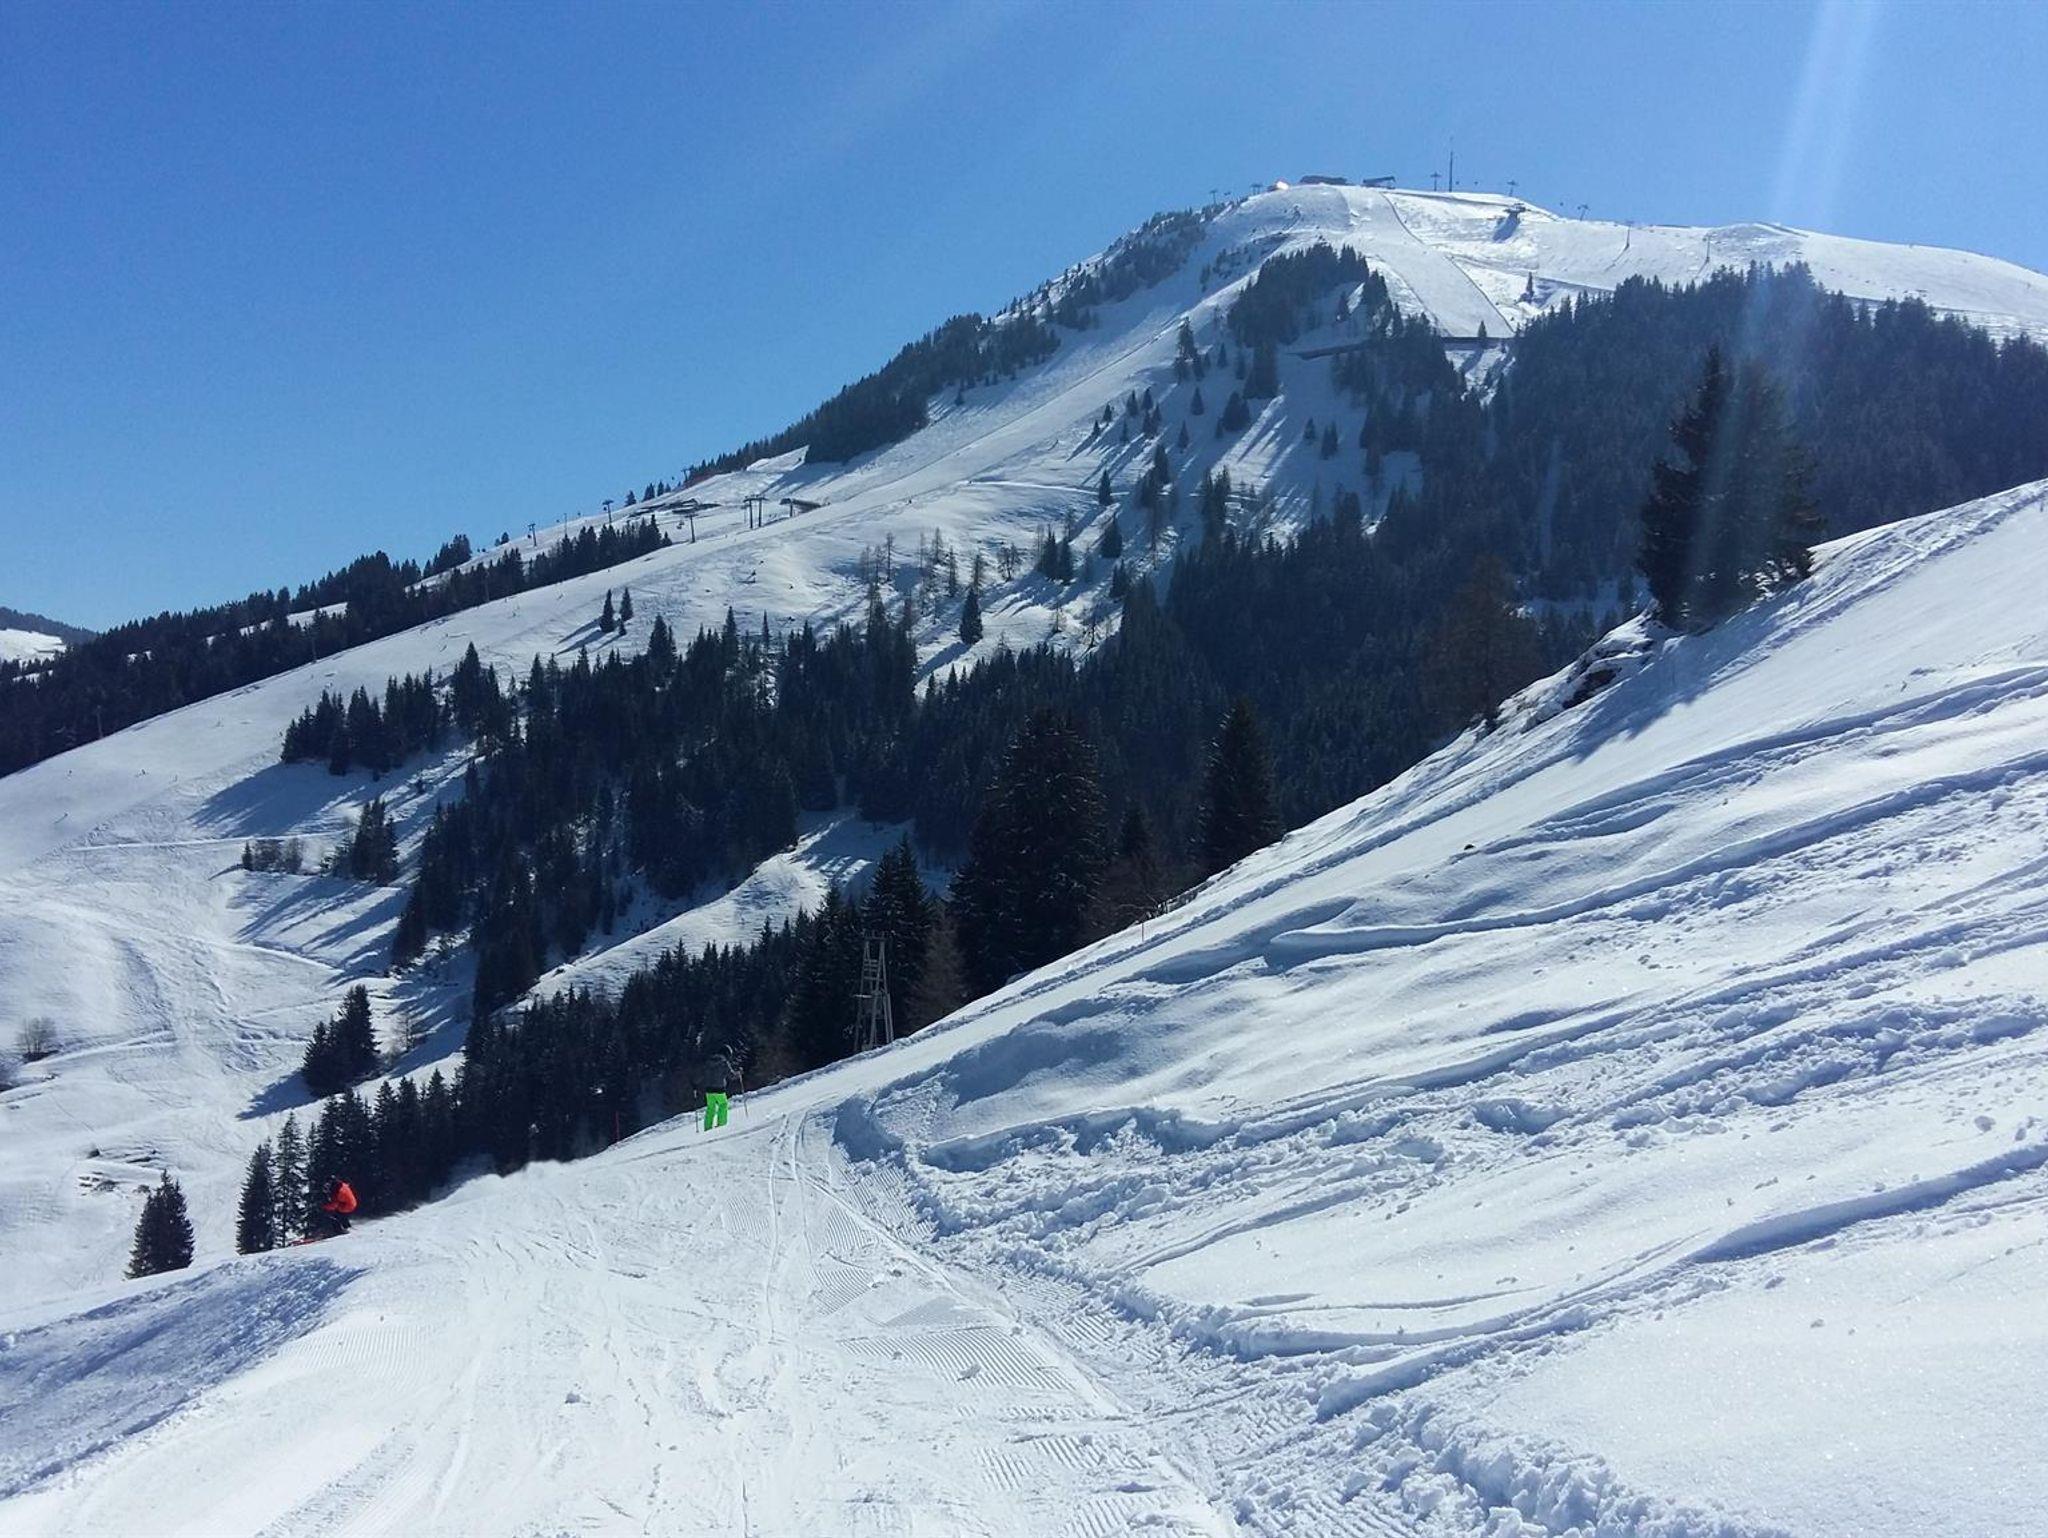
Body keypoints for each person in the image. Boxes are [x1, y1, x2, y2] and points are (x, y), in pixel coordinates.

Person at [701, 1049, 736, 1132]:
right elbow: (731, 1076)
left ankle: (707, 1127)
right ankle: (721, 1124)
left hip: (708, 1089)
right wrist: (738, 1073)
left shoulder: (709, 1061)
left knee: (710, 1108)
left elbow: (703, 1073)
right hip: (719, 1088)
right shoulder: (724, 1063)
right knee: (723, 1104)